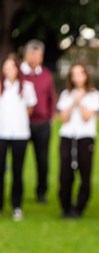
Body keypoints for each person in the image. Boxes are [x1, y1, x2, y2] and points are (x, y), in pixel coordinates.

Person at [57, 63, 99, 218]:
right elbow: (63, 118)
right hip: (68, 137)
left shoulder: (94, 94)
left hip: (85, 138)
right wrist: (72, 102)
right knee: (65, 175)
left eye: (80, 73)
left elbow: (86, 116)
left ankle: (79, 208)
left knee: (85, 174)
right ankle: (65, 207)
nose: (77, 77)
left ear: (86, 75)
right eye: (74, 74)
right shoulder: (65, 94)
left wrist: (80, 101)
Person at [0, 54, 37, 221]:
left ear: (17, 69)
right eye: (6, 68)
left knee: (17, 171)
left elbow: (30, 108)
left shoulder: (27, 87)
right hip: (2, 133)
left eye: (12, 67)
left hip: (20, 134)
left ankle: (16, 206)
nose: (9, 71)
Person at [20, 39, 56, 204]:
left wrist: (49, 117)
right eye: (32, 54)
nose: (35, 58)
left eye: (38, 55)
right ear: (26, 55)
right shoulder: (18, 73)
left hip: (41, 124)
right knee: (17, 160)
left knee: (42, 160)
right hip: (20, 124)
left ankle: (41, 192)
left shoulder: (46, 75)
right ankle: (16, 192)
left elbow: (51, 98)